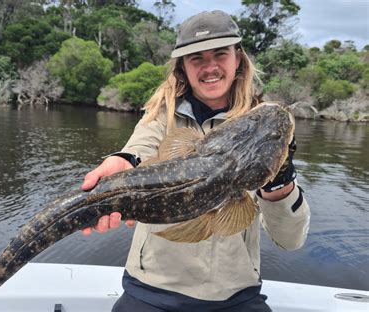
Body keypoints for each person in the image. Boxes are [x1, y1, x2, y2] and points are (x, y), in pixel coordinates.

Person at [81, 10, 311, 312]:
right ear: (183, 67)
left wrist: (281, 181)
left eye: (220, 54)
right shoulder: (161, 114)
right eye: (197, 58)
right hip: (152, 288)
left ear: (238, 57)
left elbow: (290, 241)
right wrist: (126, 161)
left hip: (234, 295)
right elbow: (142, 145)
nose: (210, 67)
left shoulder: (260, 123)